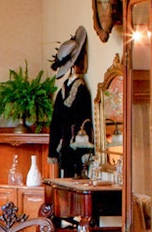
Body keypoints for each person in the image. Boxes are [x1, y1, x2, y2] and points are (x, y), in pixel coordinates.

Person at [49, 26, 93, 178]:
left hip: (71, 149)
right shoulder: (74, 90)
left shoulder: (76, 89)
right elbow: (55, 122)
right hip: (71, 151)